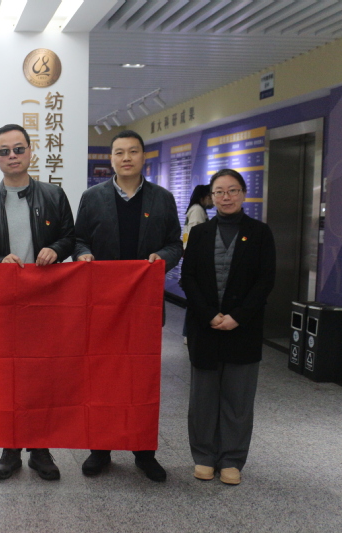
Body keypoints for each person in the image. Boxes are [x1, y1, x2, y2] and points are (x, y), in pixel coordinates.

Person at [0, 124, 76, 481]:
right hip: (1, 304)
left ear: (30, 151)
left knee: (42, 376)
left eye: (18, 149)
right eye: (4, 151)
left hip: (44, 302)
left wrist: (55, 249)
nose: (12, 156)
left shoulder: (54, 195)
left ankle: (41, 449)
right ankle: (9, 449)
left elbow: (70, 237)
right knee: (5, 378)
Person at [73, 129, 182, 483]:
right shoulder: (92, 197)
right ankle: (100, 449)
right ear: (111, 159)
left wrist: (162, 257)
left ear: (143, 157)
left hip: (143, 307)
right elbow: (78, 239)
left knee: (141, 381)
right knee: (102, 379)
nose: (126, 158)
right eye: (119, 152)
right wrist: (83, 254)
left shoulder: (162, 199)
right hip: (103, 307)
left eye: (133, 152)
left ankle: (143, 451)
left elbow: (175, 244)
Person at [181, 169, 275, 486]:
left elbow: (266, 281)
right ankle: (204, 457)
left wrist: (238, 316)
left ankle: (232, 459)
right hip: (205, 327)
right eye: (219, 192)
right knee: (203, 399)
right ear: (212, 197)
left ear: (244, 194)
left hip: (243, 329)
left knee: (238, 399)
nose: (226, 197)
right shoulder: (200, 233)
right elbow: (188, 278)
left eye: (233, 190)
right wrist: (209, 314)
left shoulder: (260, 233)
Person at [181, 184, 214, 343]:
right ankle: (188, 334)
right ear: (204, 197)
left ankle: (188, 333)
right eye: (212, 195)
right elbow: (197, 236)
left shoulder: (196, 209)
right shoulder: (197, 211)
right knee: (195, 298)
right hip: (197, 260)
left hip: (193, 258)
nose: (213, 200)